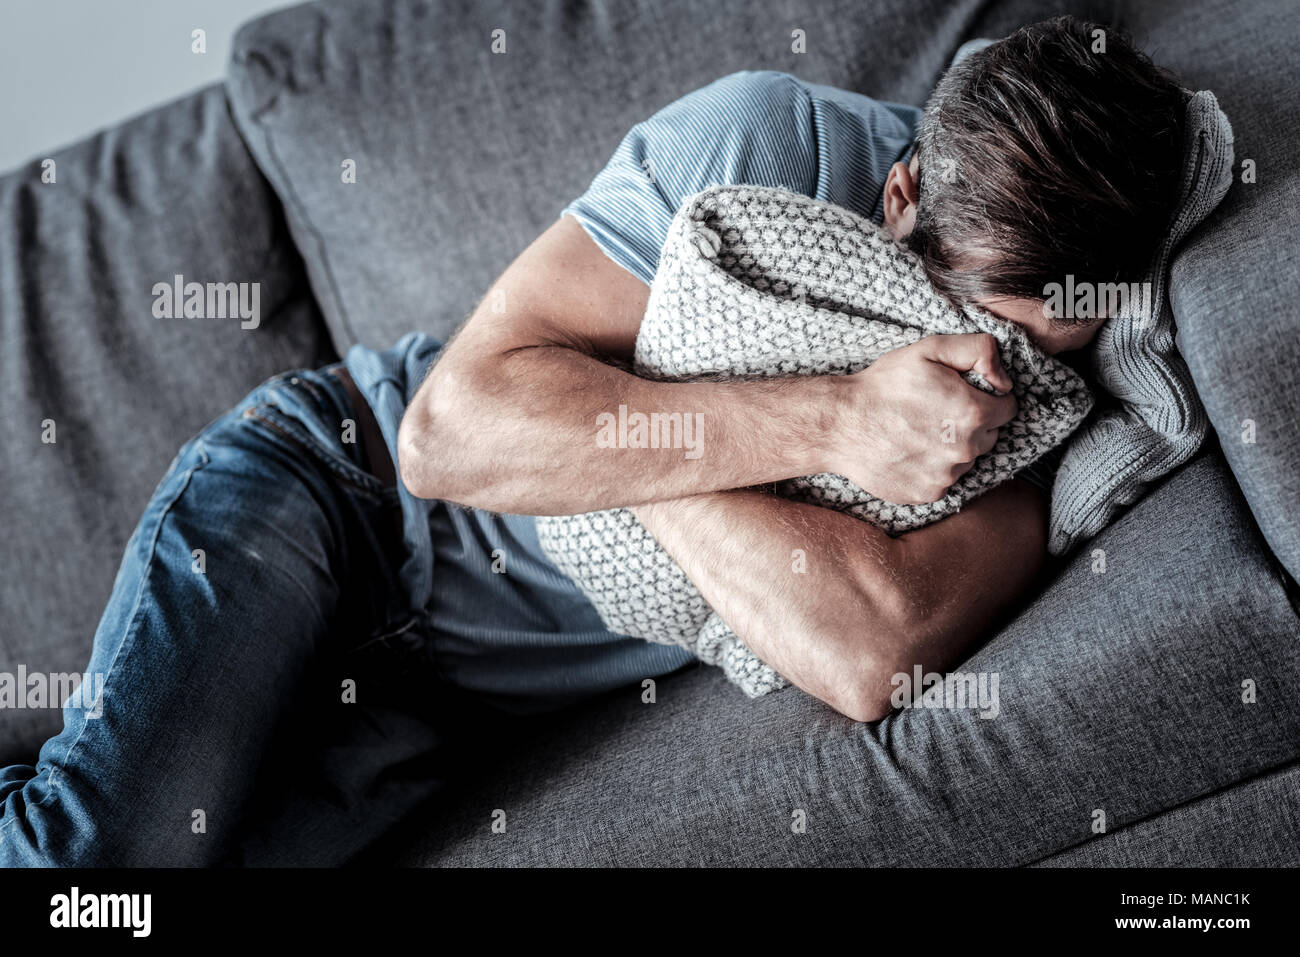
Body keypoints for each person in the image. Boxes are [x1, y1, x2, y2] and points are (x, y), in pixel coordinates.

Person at [0, 16, 1187, 866]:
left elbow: (870, 652)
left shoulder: (1053, 384)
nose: (990, 374)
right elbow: (447, 434)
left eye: (1039, 349)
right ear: (901, 195)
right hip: (332, 492)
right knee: (89, 876)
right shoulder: (762, 145)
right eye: (972, 322)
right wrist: (835, 416)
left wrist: (602, 429)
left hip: (451, 704)